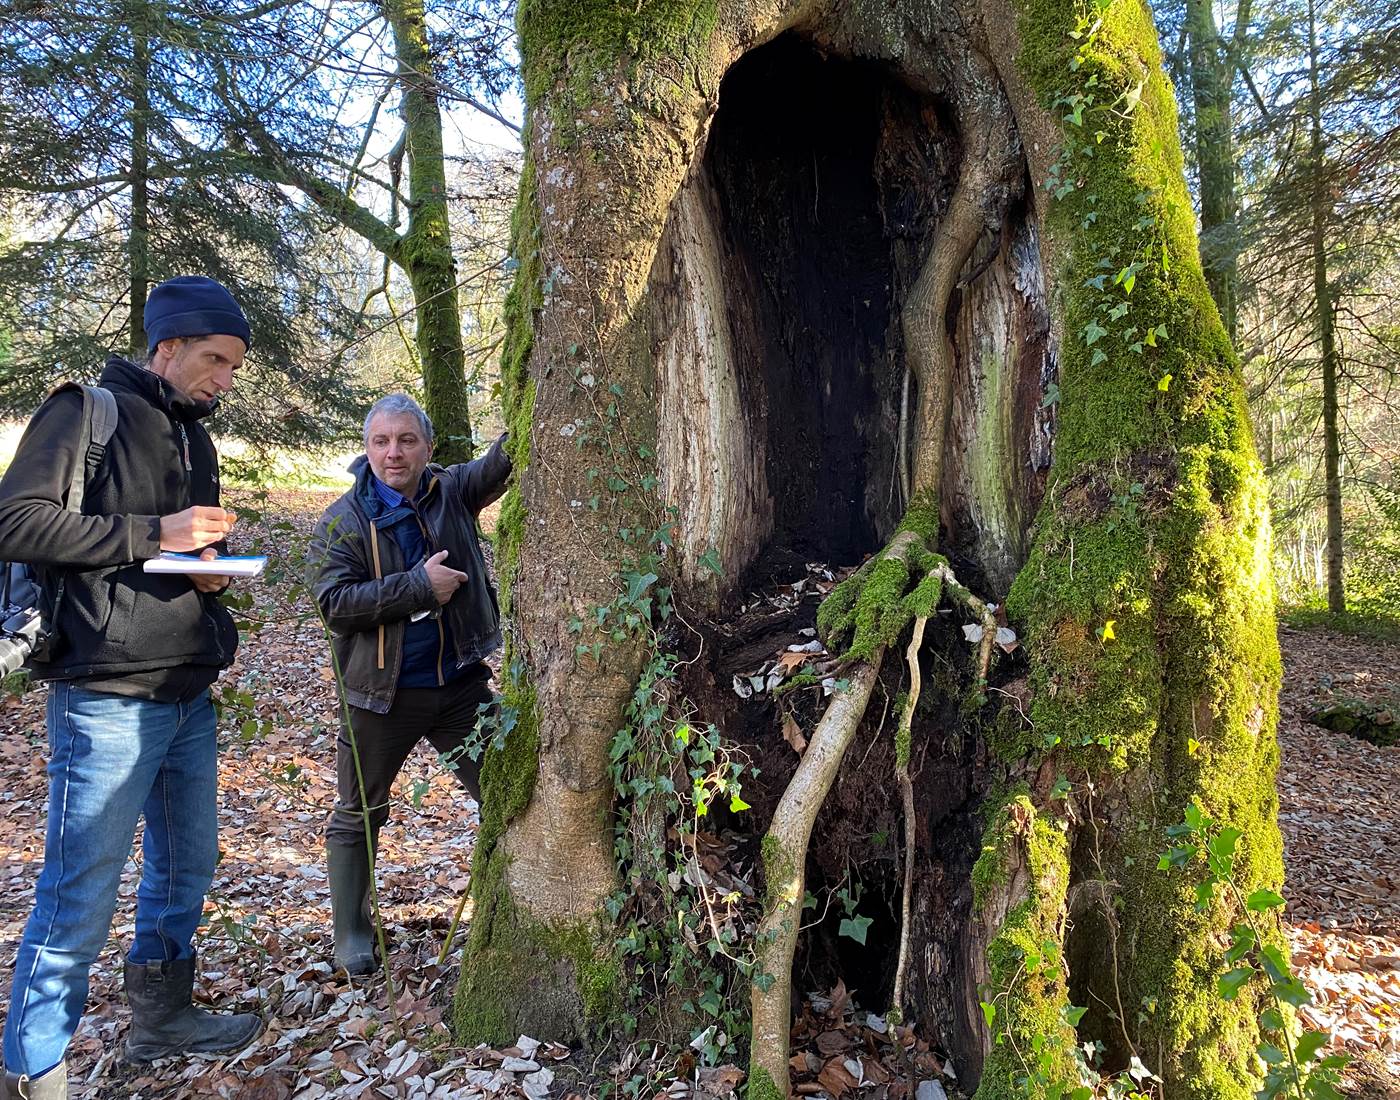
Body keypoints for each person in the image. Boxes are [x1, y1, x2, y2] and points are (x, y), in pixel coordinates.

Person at [0, 277, 265, 1098]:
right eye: (214, 360)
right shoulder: (85, 412)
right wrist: (158, 532)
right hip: (105, 694)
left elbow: (171, 559)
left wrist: (205, 573)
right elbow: (15, 520)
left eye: (234, 367)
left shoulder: (197, 439)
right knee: (80, 890)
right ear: (167, 347)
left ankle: (161, 1021)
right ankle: (31, 1072)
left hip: (187, 688)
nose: (224, 379)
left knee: (188, 867)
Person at [308, 394, 510, 977]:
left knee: (506, 792)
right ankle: (351, 931)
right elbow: (334, 604)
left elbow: (499, 462)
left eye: (406, 441)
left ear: (427, 446)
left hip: (459, 688)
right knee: (360, 813)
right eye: (380, 441)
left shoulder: (451, 490)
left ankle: (506, 906)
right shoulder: (344, 520)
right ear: (366, 447)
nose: (392, 453)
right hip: (380, 695)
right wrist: (418, 587)